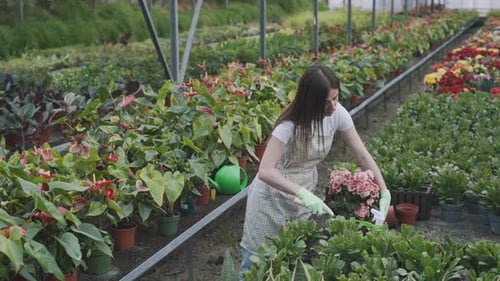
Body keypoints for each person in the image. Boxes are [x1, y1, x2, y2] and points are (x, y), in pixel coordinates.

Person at [239, 64, 391, 279]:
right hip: (270, 200)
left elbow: (363, 155)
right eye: (325, 102)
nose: (332, 106)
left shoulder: (337, 114)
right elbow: (265, 171)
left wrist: (384, 190)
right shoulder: (289, 125)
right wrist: (300, 192)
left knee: (292, 262)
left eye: (335, 98)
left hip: (302, 200)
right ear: (310, 101)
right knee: (255, 265)